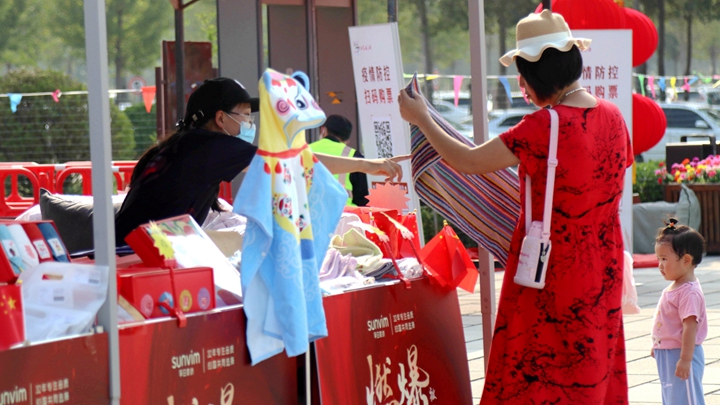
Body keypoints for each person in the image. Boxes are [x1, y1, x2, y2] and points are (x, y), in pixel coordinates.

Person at [398, 10, 633, 404]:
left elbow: (468, 161)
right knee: (592, 365)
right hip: (602, 263)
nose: (521, 84)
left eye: (522, 75)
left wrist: (422, 117)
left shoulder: (544, 125)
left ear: (538, 74)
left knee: (538, 371)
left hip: (551, 269)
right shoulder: (613, 116)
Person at [115, 77, 405, 245]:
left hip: (135, 247)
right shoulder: (211, 146)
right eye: (244, 115)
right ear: (220, 118)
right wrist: (367, 165)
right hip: (136, 253)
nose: (249, 123)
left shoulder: (184, 145)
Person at [652, 218, 707, 405]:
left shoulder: (689, 292)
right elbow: (668, 321)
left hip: (682, 352)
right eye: (658, 259)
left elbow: (690, 327)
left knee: (686, 397)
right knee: (672, 397)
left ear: (686, 260)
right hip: (669, 352)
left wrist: (685, 359)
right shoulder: (675, 287)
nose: (660, 264)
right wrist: (659, 343)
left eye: (664, 259)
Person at [309, 114, 369, 206]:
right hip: (344, 212)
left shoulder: (305, 150)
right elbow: (362, 198)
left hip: (310, 210)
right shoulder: (353, 155)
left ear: (323, 130)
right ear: (347, 139)